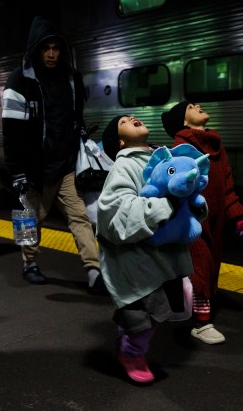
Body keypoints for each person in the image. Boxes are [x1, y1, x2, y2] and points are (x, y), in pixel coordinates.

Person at [2, 16, 104, 294]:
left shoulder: (71, 78)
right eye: (45, 48)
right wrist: (17, 172)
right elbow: (11, 132)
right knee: (29, 219)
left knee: (80, 217)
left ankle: (94, 270)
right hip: (34, 170)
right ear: (35, 49)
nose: (51, 54)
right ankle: (29, 263)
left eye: (56, 48)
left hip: (66, 165)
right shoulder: (20, 80)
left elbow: (76, 117)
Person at [97, 115, 196, 384]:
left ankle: (129, 333)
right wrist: (166, 206)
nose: (132, 118)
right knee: (143, 321)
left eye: (132, 117)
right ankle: (131, 354)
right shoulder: (124, 166)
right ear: (119, 141)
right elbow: (113, 213)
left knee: (153, 315)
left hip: (161, 258)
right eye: (123, 122)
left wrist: (195, 206)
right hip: (137, 261)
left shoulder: (161, 159)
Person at [161, 101, 243, 344]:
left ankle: (182, 310)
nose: (197, 105)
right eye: (191, 106)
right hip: (190, 220)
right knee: (200, 267)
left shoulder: (216, 146)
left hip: (216, 221)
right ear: (184, 121)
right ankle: (202, 323)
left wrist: (237, 214)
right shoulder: (181, 147)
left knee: (209, 267)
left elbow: (227, 186)